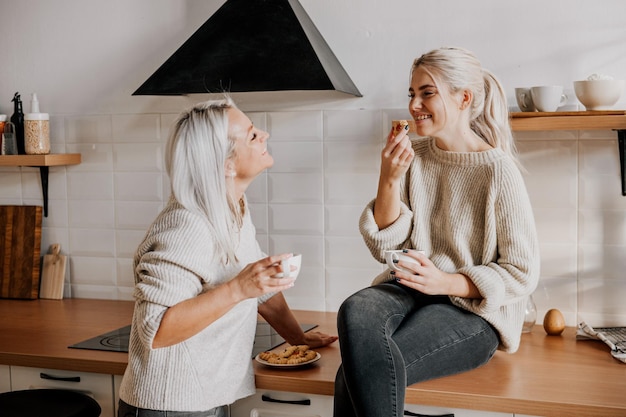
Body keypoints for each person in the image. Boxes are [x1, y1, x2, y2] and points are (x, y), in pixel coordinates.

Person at [333, 47, 540, 417]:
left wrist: (445, 282)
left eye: (427, 92)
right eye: (411, 94)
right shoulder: (415, 155)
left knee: (354, 375)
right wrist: (388, 178)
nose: (414, 104)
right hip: (410, 288)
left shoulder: (497, 171)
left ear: (464, 98)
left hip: (473, 311)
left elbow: (522, 272)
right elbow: (385, 247)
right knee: (356, 307)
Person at [117, 97, 337, 417]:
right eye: (251, 134)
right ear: (226, 164)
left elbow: (262, 288)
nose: (264, 135)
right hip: (169, 406)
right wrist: (238, 288)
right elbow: (156, 330)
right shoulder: (186, 225)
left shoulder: (233, 208)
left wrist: (298, 338)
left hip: (206, 396)